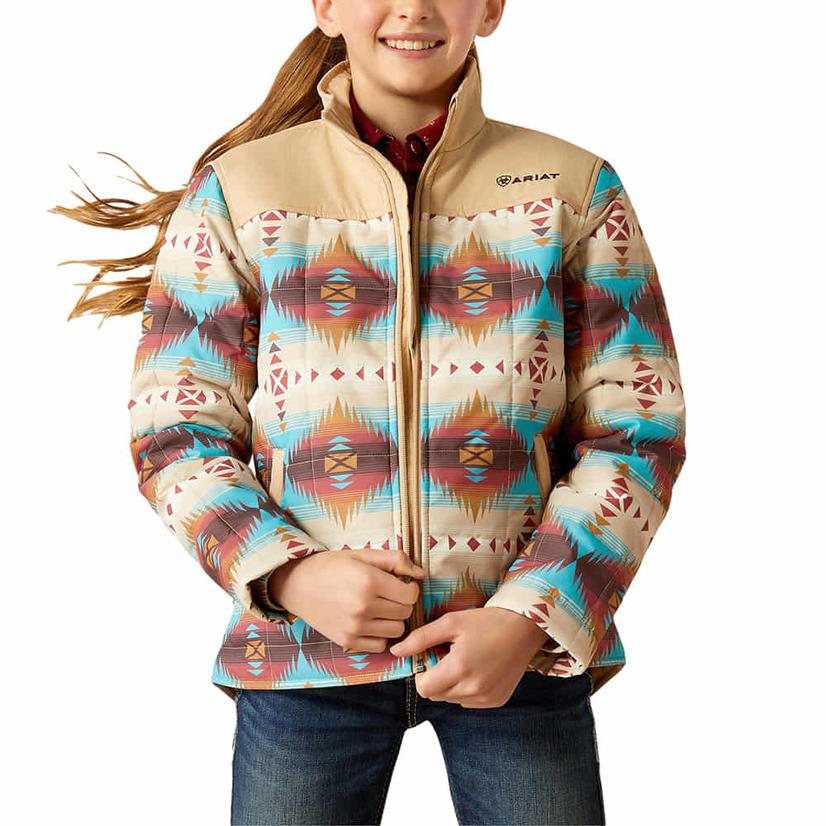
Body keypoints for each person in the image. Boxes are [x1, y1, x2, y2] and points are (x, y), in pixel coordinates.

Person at [54, 1, 687, 823]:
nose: (413, 7)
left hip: (516, 657)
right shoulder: (241, 191)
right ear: (325, 6)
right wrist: (289, 574)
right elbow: (174, 430)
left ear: (492, 7)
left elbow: (638, 430)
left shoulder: (573, 188)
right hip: (302, 653)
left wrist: (530, 614)